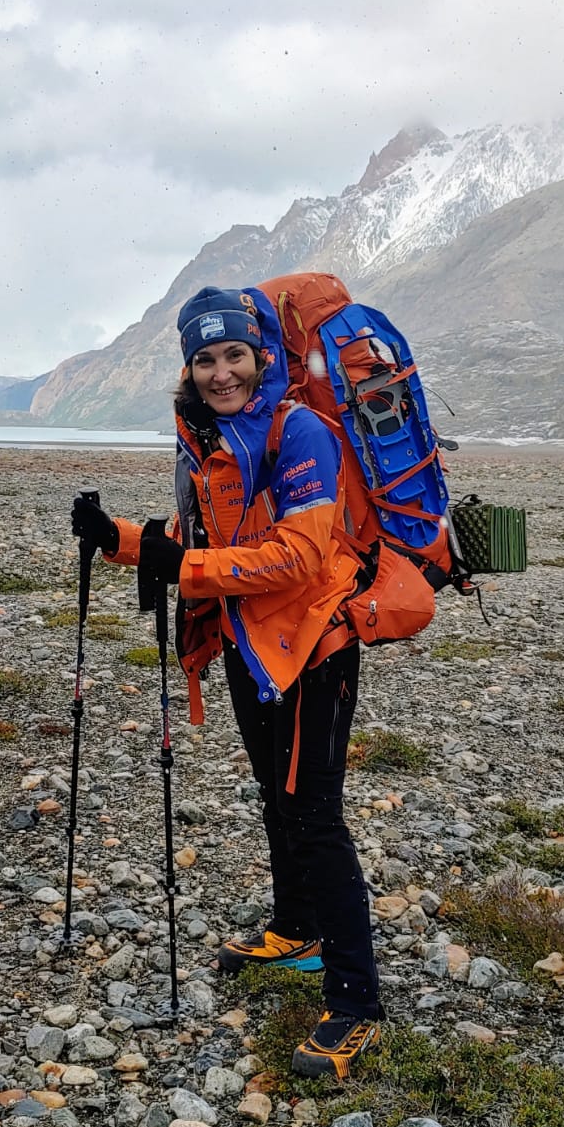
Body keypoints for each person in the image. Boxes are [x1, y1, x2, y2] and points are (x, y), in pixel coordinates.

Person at [71, 285, 383, 1080]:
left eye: (233, 355)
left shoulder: (299, 428)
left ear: (261, 355)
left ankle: (355, 1003)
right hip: (252, 639)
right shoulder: (208, 437)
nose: (220, 372)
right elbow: (198, 539)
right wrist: (122, 540)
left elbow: (302, 555)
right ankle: (295, 930)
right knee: (276, 796)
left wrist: (189, 566)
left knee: (315, 814)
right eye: (204, 359)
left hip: (315, 642)